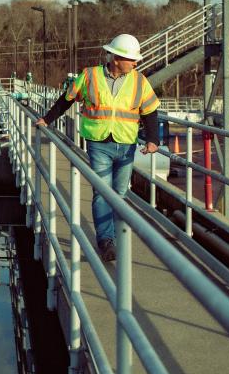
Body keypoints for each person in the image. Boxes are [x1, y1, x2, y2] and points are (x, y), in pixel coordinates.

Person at [35, 33, 160, 262]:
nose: (135, 63)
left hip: (126, 145)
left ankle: (112, 236)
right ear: (116, 58)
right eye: (131, 59)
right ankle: (106, 241)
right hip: (98, 144)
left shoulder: (140, 81)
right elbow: (67, 99)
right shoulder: (90, 76)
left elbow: (151, 111)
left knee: (120, 195)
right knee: (102, 193)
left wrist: (153, 139)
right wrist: (47, 119)